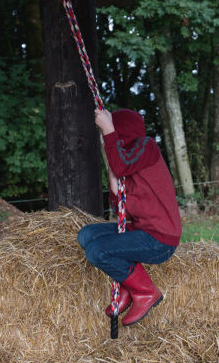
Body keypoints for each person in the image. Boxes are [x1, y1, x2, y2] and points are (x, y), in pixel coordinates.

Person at [77, 108, 182, 326]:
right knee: (87, 235)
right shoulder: (125, 161)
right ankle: (128, 287)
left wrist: (108, 130)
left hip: (159, 238)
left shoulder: (146, 147)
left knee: (97, 251)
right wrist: (114, 183)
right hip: (140, 230)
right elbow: (123, 210)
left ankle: (146, 292)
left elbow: (122, 163)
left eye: (116, 130)